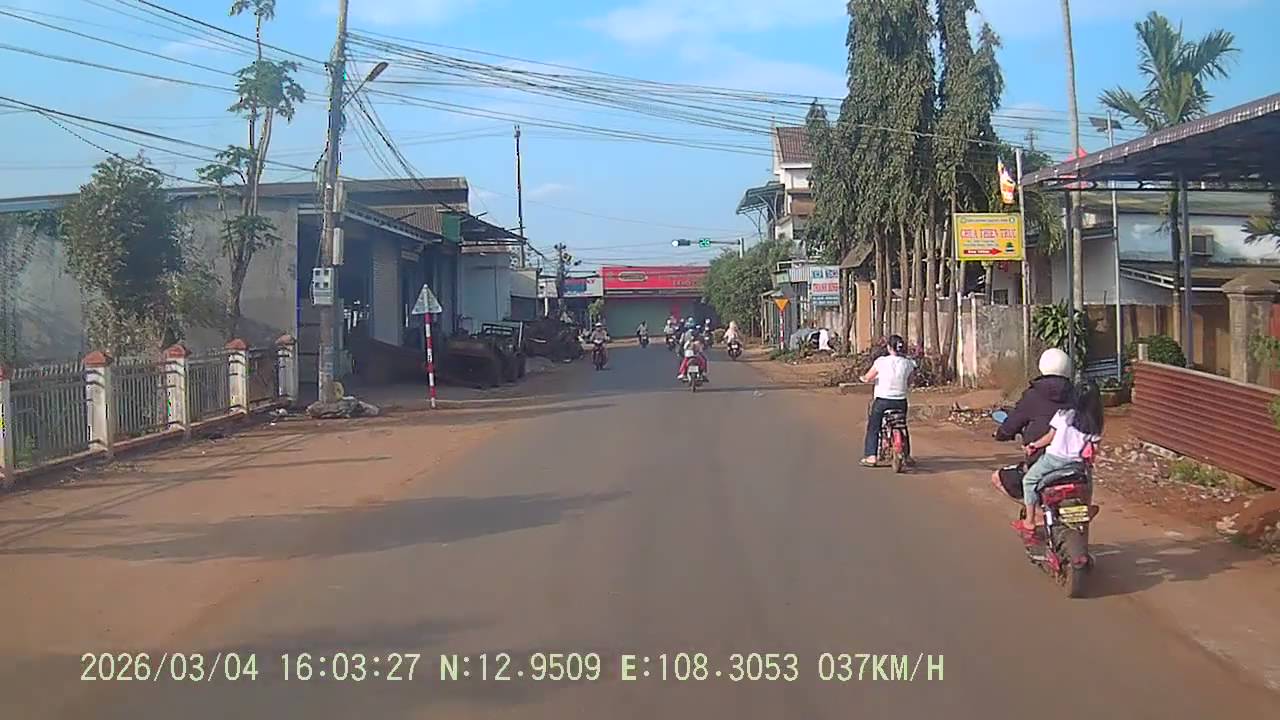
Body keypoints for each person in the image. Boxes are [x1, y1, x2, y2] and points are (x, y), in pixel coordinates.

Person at [1012, 383, 1104, 533]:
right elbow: (1094, 449)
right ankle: (1086, 507)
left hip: (1052, 461)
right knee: (1086, 483)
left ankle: (1029, 521)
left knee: (1028, 481)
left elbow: (1050, 437)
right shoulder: (1094, 423)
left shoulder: (1063, 415)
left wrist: (1033, 445)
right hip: (1076, 465)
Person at [860, 335, 916, 467]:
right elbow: (910, 381)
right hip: (900, 401)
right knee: (902, 425)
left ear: (889, 347)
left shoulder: (881, 362)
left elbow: (868, 377)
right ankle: (906, 455)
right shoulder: (908, 363)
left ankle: (871, 456)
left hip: (882, 401)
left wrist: (863, 378)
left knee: (874, 427)